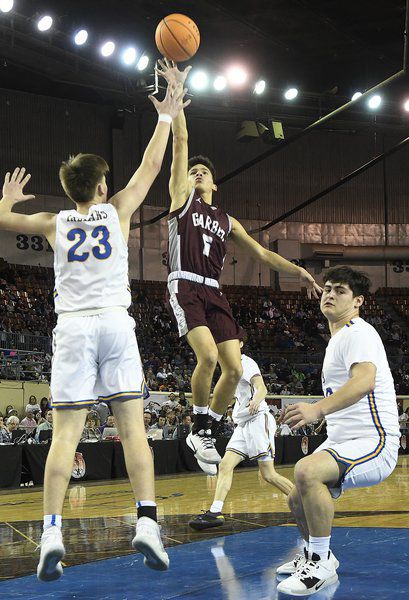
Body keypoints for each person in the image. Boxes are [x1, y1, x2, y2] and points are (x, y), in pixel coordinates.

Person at [0, 81, 189, 581]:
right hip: (115, 323)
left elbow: (2, 219)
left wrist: (8, 197)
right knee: (133, 429)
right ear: (102, 188)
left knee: (66, 434)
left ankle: (52, 531)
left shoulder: (54, 221)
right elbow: (151, 166)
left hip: (73, 329)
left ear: (69, 190)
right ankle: (147, 520)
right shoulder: (119, 209)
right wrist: (166, 115)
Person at [157, 59, 322, 470]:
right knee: (208, 359)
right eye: (193, 171)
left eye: (204, 172)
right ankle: (197, 428)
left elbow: (263, 254)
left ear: (215, 183)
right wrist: (176, 104)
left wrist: (299, 270)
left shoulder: (226, 219)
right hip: (185, 285)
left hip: (214, 290)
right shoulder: (182, 200)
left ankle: (208, 428)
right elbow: (180, 146)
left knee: (233, 370)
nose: (196, 172)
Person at [278, 267, 400, 596]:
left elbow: (364, 382)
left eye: (340, 291)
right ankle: (315, 554)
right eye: (327, 288)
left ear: (358, 301)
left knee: (307, 471)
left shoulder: (358, 332)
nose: (330, 294)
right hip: (344, 439)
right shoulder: (338, 338)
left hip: (375, 442)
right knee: (295, 497)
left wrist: (317, 409)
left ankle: (321, 564)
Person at [189, 342, 293, 530]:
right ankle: (215, 512)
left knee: (268, 474)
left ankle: (304, 501)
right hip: (242, 424)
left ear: (240, 344)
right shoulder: (229, 368)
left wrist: (256, 399)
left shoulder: (246, 362)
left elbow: (261, 387)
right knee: (225, 465)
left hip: (258, 420)